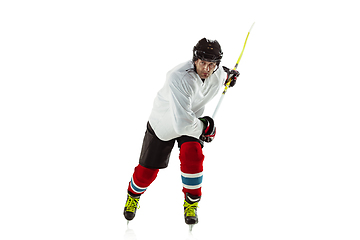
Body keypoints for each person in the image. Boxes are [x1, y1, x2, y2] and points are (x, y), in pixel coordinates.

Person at [123, 38, 239, 226]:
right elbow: (182, 125)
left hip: (191, 119)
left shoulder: (216, 72)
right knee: (146, 173)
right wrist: (206, 128)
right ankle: (133, 196)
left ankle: (191, 203)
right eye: (203, 63)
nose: (207, 69)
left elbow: (222, 74)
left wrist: (228, 77)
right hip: (164, 124)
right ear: (194, 60)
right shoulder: (179, 77)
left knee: (192, 155)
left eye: (212, 64)